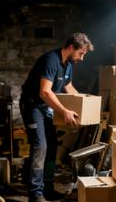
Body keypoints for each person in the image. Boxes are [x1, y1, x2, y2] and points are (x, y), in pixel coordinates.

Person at [18, 33, 93, 202]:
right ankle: (35, 193)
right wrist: (64, 111)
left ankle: (48, 188)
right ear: (71, 47)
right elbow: (44, 92)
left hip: (46, 108)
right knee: (41, 146)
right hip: (33, 106)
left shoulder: (68, 64)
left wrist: (85, 104)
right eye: (81, 53)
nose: (82, 58)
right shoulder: (50, 60)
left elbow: (69, 87)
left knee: (52, 147)